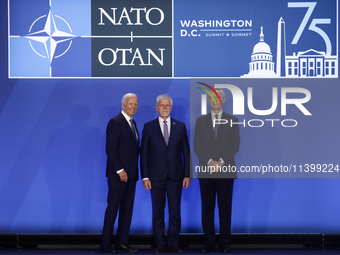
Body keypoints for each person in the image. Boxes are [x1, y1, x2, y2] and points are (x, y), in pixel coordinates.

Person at [140, 94, 191, 253]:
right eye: (162, 105)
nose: (165, 108)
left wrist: (187, 174)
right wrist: (145, 176)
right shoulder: (149, 127)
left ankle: (173, 243)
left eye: (167, 105)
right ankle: (160, 243)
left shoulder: (180, 126)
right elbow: (144, 153)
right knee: (158, 212)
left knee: (175, 212)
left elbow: (186, 152)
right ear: (157, 107)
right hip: (155, 178)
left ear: (171, 107)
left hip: (176, 176)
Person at [193, 89, 240, 253]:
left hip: (226, 171)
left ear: (224, 100)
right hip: (206, 172)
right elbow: (197, 145)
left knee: (225, 209)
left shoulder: (233, 120)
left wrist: (220, 162)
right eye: (212, 97)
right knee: (207, 209)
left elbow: (235, 146)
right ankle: (209, 241)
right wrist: (209, 161)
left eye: (218, 97)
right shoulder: (200, 121)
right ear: (208, 100)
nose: (215, 100)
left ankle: (225, 241)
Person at [100, 93, 140, 253]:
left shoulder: (133, 123)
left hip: (131, 175)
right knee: (113, 209)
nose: (134, 107)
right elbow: (110, 149)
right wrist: (120, 170)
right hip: (118, 175)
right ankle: (105, 244)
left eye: (136, 104)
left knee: (127, 210)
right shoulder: (115, 122)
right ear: (123, 105)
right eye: (131, 104)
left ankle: (122, 243)